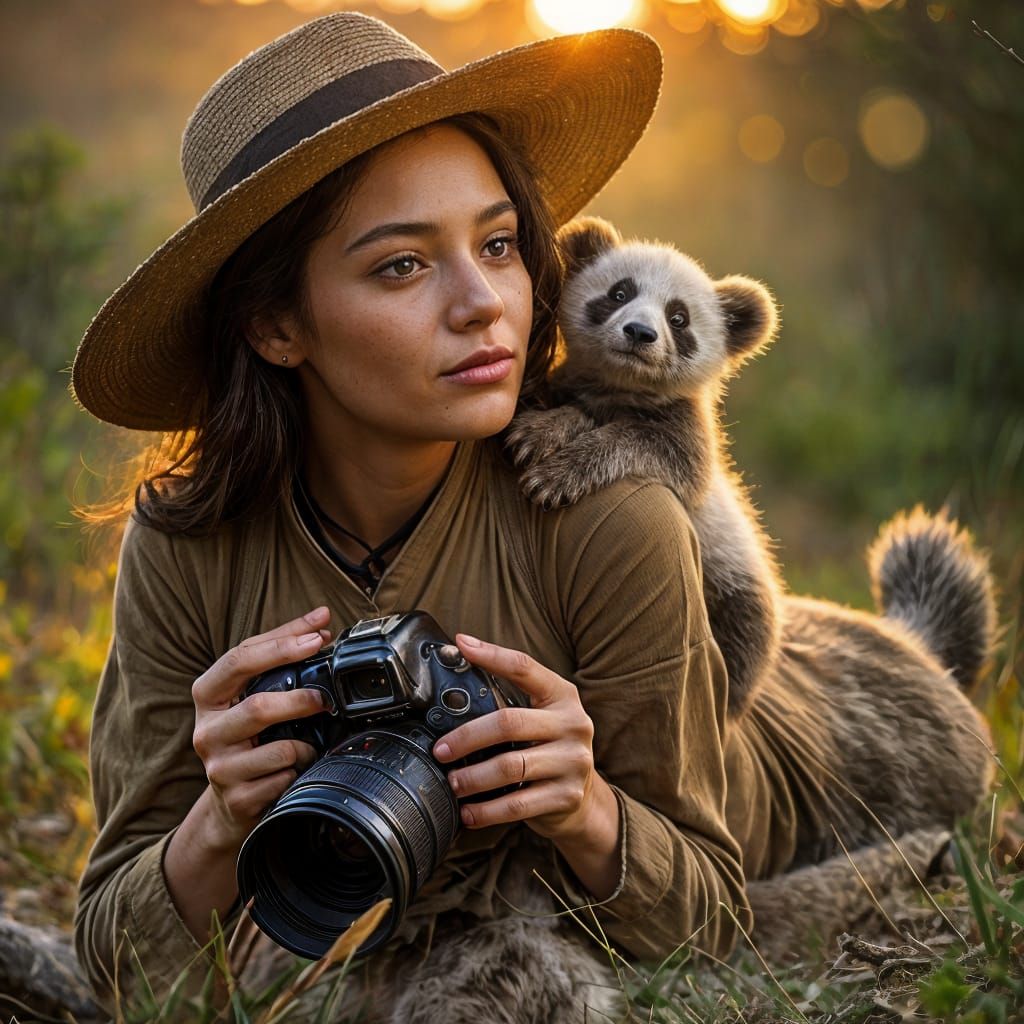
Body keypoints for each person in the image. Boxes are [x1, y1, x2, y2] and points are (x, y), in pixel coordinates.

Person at [71, 12, 996, 1024]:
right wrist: (217, 823)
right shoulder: (186, 545)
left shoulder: (609, 509)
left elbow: (708, 910)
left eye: (500, 243)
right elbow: (116, 954)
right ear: (275, 323)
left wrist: (586, 807)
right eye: (402, 265)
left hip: (836, 734)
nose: (486, 304)